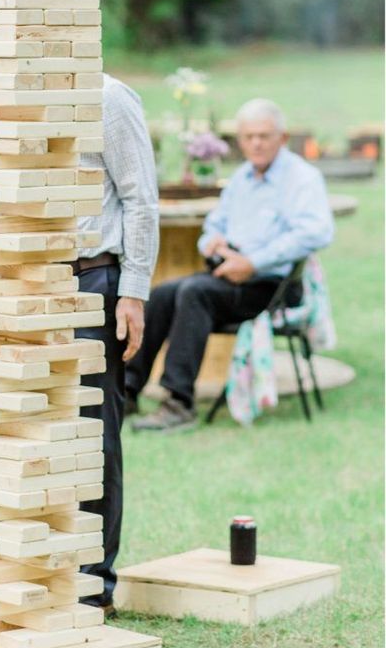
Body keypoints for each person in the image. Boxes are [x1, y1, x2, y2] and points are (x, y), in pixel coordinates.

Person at [126, 98, 335, 433]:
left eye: (264, 136)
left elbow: (316, 232)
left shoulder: (302, 178)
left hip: (271, 286)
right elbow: (214, 225)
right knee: (163, 294)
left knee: (195, 292)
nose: (256, 143)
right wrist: (213, 242)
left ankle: (179, 403)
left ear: (282, 138)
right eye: (249, 136)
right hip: (228, 276)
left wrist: (253, 262)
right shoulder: (240, 179)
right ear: (240, 139)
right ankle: (127, 392)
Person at [74, 73, 159, 614]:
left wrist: (133, 291)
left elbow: (141, 200)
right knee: (37, 429)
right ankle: (38, 568)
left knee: (93, 432)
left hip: (93, 279)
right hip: (30, 286)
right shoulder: (19, 91)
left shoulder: (107, 97)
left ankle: (93, 584)